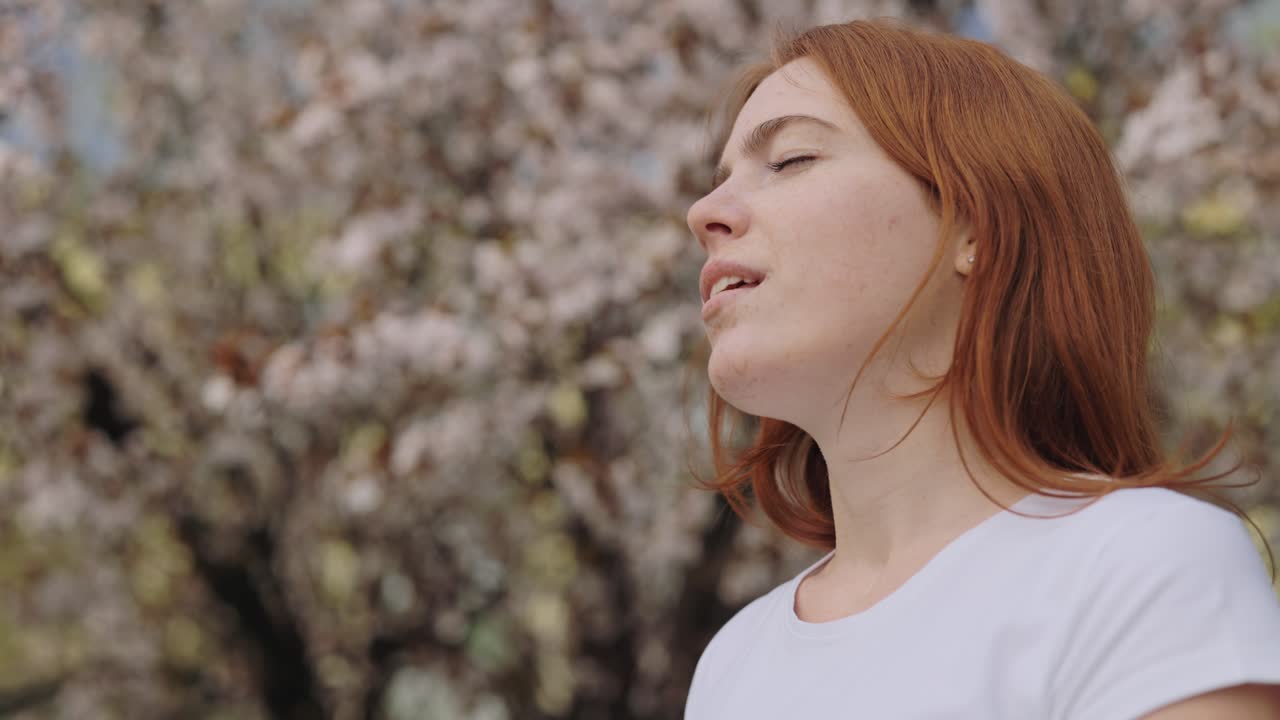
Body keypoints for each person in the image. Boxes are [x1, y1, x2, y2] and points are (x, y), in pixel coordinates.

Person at [682, 18, 1280, 719]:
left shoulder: (1139, 563)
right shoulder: (736, 660)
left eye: (790, 160)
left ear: (976, 228)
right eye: (719, 181)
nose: (703, 213)